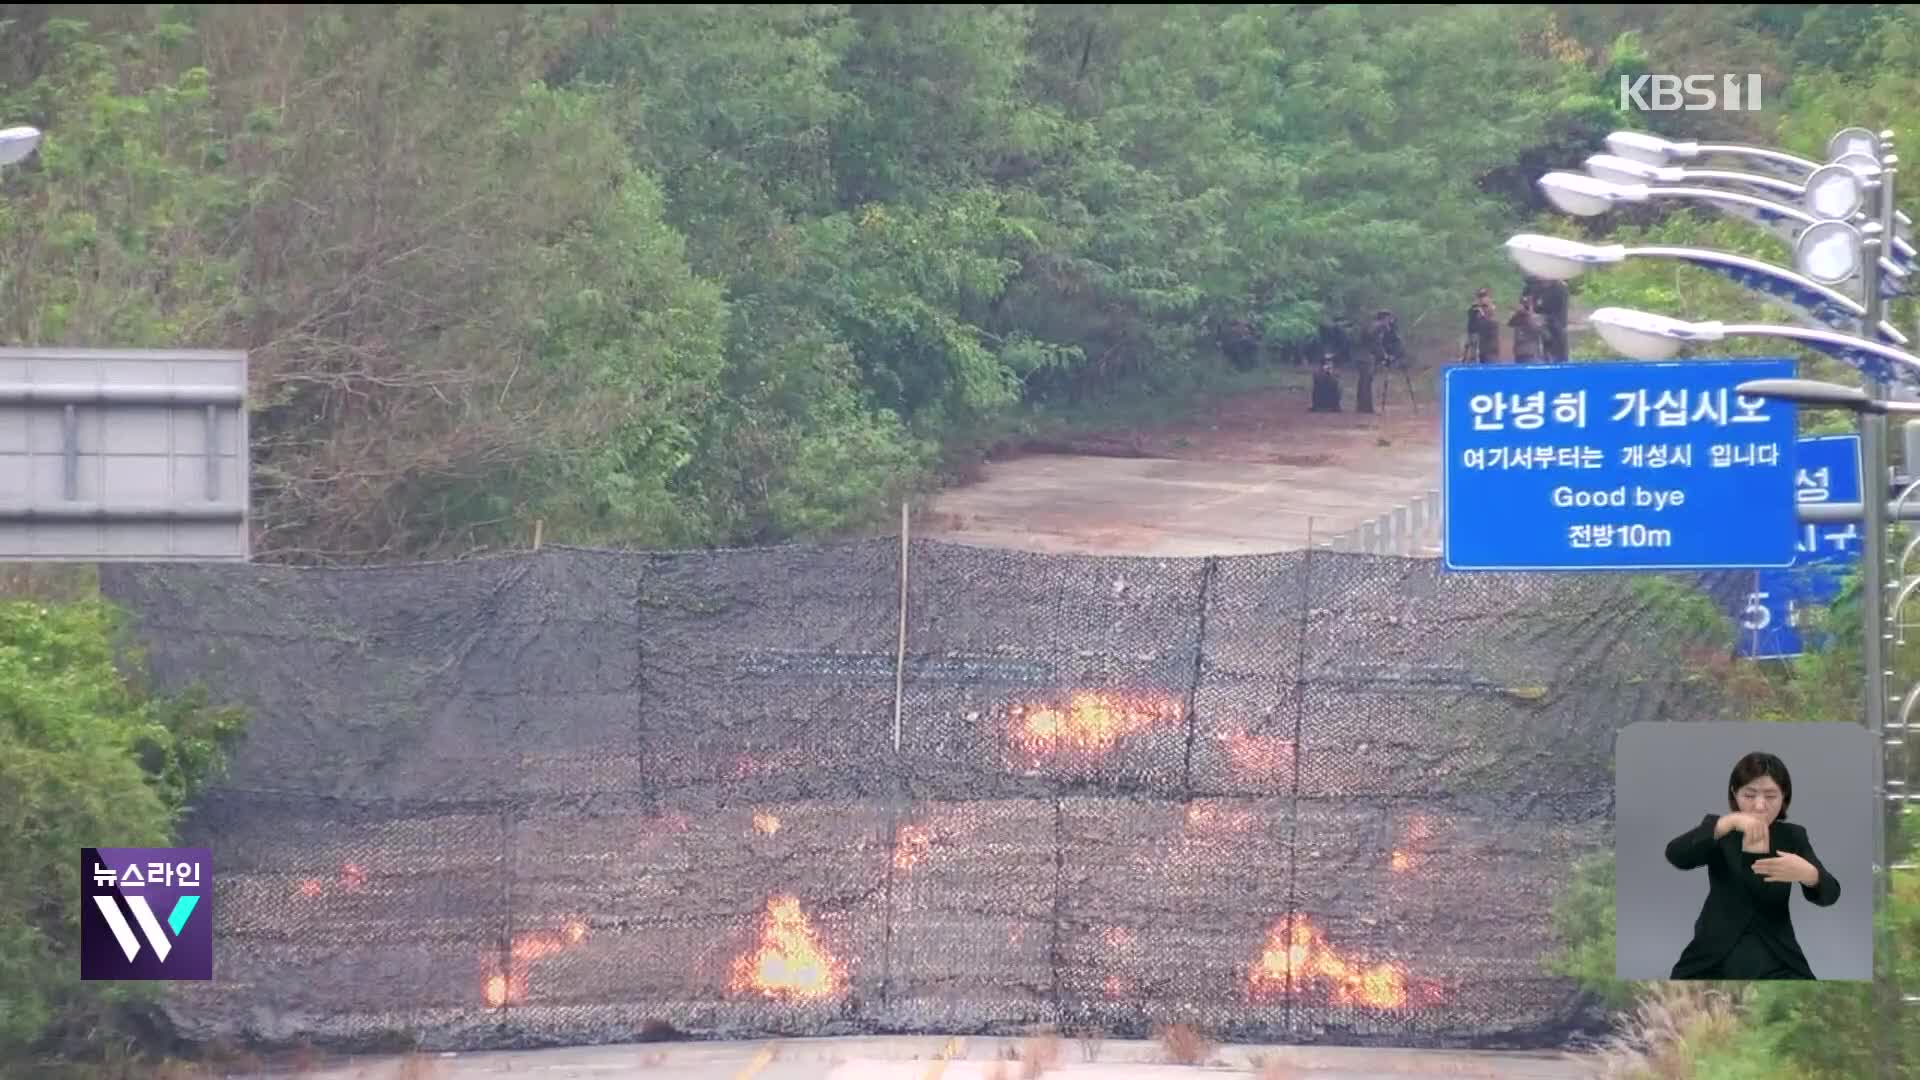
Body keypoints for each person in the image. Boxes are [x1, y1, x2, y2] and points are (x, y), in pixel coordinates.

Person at [1664, 751, 1841, 980]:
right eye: (1749, 795)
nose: (1760, 806)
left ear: (1784, 796)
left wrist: (1809, 874)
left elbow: (1831, 893)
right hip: (1713, 953)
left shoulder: (1793, 836)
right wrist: (1725, 824)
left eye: (1770, 796)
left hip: (1777, 955)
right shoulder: (1720, 830)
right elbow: (1676, 855)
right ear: (1734, 793)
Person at [1524, 276, 1570, 361]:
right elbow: (1530, 305)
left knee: (1557, 358)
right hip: (1538, 332)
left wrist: (1543, 318)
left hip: (1556, 332)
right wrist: (1531, 311)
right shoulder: (1535, 287)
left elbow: (1560, 315)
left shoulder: (1560, 289)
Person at [1463, 288, 1500, 363]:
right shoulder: (1474, 308)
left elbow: (1492, 322)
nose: (1483, 299)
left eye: (1484, 296)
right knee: (1473, 357)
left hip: (1488, 343)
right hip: (1476, 336)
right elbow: (1471, 325)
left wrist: (1484, 314)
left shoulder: (1491, 308)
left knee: (1488, 359)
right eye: (1481, 297)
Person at [1508, 295, 1542, 363]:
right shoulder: (1518, 317)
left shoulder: (1535, 318)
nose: (1526, 308)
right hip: (1520, 353)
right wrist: (1519, 313)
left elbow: (1538, 330)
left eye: (1527, 306)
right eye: (1524, 305)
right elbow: (1510, 324)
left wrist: (1527, 314)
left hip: (1531, 353)